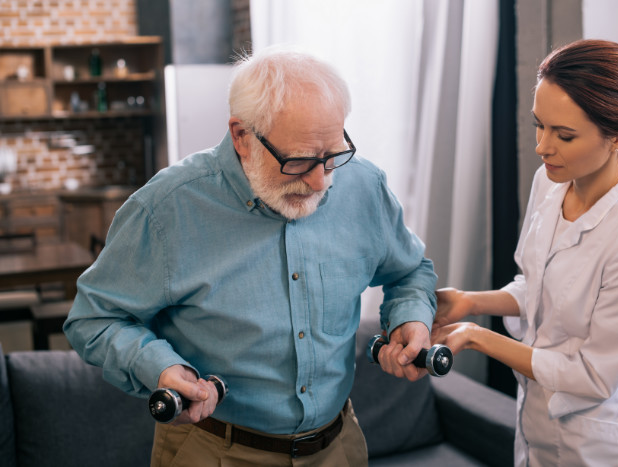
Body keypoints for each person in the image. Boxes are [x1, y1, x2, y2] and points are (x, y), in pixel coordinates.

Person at [63, 47, 437, 466]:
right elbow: (94, 319)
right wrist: (160, 367)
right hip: (215, 451)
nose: (320, 182)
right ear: (241, 136)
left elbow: (409, 271)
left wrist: (410, 317)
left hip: (339, 447)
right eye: (299, 162)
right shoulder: (166, 209)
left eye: (332, 156)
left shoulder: (363, 186)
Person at [431, 39, 618, 466]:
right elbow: (539, 286)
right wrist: (471, 301)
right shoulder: (552, 181)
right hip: (535, 427)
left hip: (599, 446)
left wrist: (476, 335)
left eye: (563, 135)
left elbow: (592, 375)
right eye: (538, 125)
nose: (543, 147)